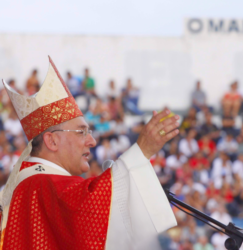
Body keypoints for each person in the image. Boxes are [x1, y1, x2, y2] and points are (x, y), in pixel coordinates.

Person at [0, 57, 179, 249]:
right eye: (81, 132)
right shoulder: (43, 184)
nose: (92, 141)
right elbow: (92, 205)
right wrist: (142, 151)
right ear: (52, 141)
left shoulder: (31, 184)